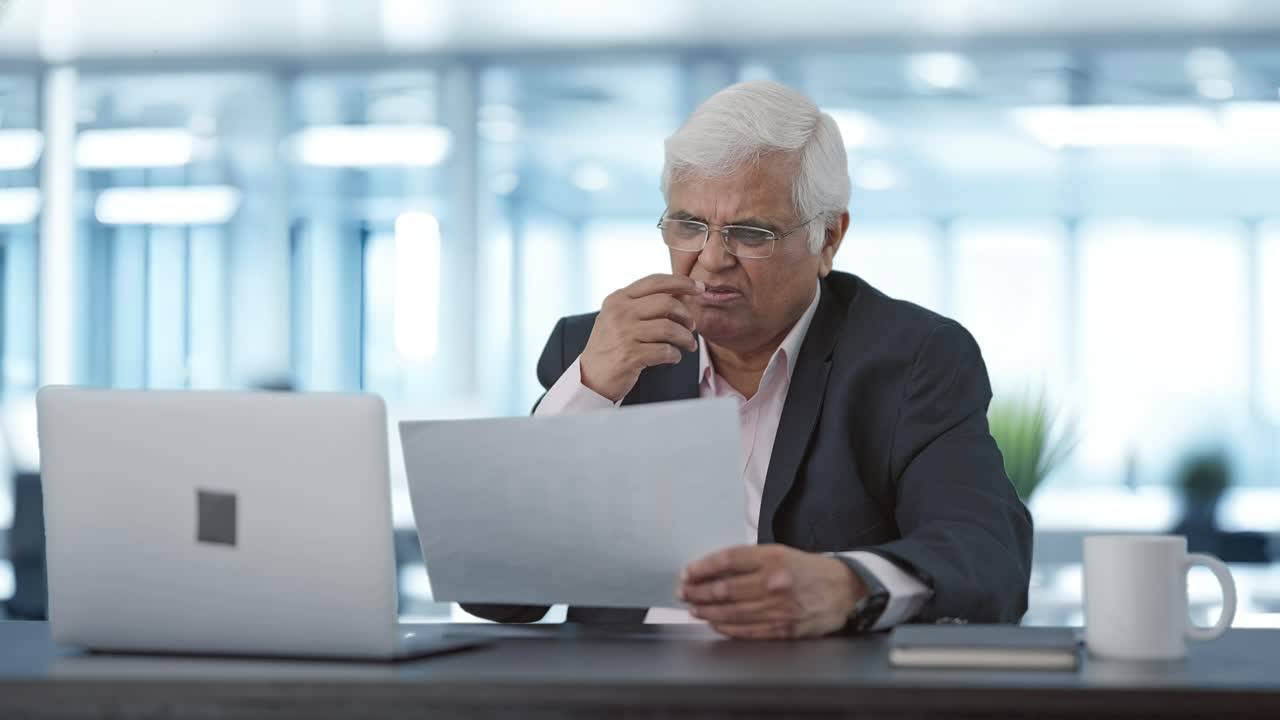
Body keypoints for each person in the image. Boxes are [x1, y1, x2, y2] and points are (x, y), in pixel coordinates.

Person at [466, 80, 1032, 639]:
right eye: (688, 225)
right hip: (625, 693)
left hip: (811, 694)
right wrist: (588, 390)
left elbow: (987, 558)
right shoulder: (596, 348)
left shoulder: (911, 357)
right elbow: (496, 595)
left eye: (751, 232)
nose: (711, 260)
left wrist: (848, 587)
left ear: (828, 239)